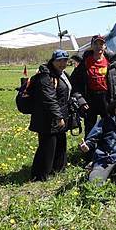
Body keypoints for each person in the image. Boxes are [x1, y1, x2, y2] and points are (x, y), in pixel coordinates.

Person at [71, 35, 116, 139]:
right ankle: (89, 151)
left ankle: (108, 149)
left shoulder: (112, 62)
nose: (98, 46)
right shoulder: (84, 63)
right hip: (90, 99)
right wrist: (81, 101)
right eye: (95, 44)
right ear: (91, 46)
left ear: (105, 46)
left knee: (110, 125)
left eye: (101, 44)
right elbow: (74, 84)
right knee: (90, 127)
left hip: (107, 99)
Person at [30, 49, 73, 181]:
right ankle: (39, 175)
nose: (62, 63)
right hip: (47, 118)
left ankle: (58, 169)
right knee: (47, 146)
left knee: (60, 143)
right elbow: (49, 98)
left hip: (60, 115)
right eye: (59, 60)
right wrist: (58, 117)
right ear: (53, 61)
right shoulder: (45, 76)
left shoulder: (63, 74)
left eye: (65, 60)